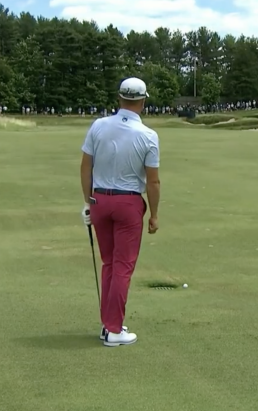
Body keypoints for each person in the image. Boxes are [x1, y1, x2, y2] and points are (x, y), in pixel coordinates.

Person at [80, 77, 160, 347]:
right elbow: (153, 181)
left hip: (100, 201)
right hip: (128, 205)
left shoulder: (98, 125)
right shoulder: (148, 135)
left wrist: (88, 201)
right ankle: (114, 331)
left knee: (110, 265)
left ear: (119, 98)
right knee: (123, 267)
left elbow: (85, 167)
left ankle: (108, 325)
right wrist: (155, 215)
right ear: (143, 101)